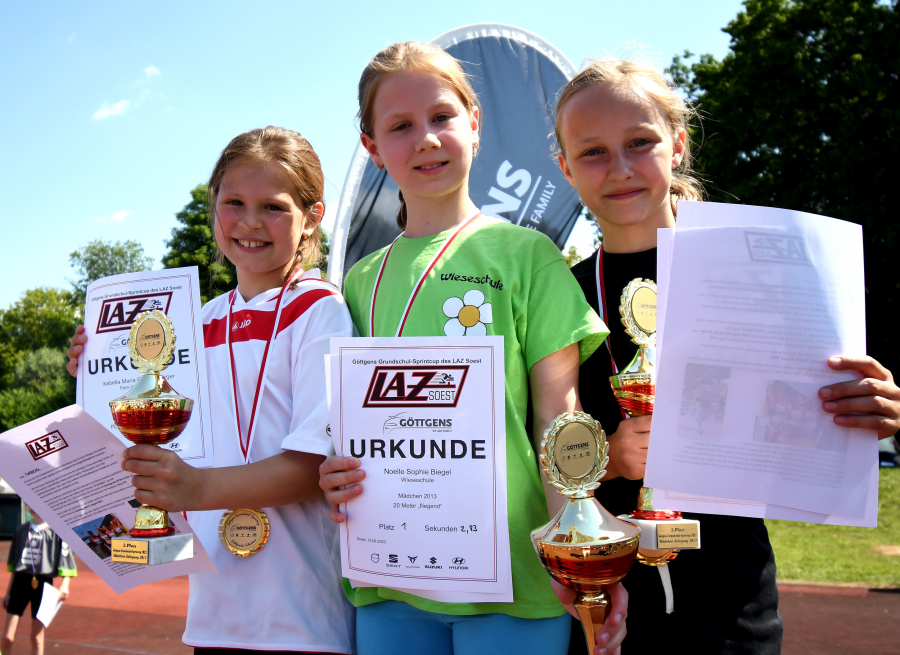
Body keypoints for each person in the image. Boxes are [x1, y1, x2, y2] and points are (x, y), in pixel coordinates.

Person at [555, 58, 900, 654]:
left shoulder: (764, 274)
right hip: (607, 599)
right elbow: (533, 451)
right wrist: (608, 461)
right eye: (592, 152)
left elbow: (817, 403)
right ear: (564, 169)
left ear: (678, 145)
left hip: (733, 606)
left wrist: (875, 406)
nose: (620, 168)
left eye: (640, 142)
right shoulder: (556, 297)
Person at [317, 41, 625, 655]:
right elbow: (342, 422)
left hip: (513, 581)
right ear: (372, 148)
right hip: (390, 583)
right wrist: (333, 469)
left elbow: (557, 417)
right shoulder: (357, 280)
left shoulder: (527, 255)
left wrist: (578, 538)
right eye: (400, 126)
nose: (426, 139)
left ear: (474, 124)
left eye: (441, 117)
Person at [66, 126, 356, 654]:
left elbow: (314, 465)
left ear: (313, 216)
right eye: (234, 202)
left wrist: (197, 489)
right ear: (213, 206)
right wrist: (94, 372)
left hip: (304, 618)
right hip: (213, 616)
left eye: (273, 207)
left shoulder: (321, 311)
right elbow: (141, 435)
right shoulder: (193, 323)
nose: (249, 222)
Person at [3, 507, 76, 655]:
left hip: (44, 586)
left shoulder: (57, 532)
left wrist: (65, 584)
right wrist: (8, 592)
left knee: (36, 639)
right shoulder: (21, 531)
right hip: (20, 583)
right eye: (30, 503)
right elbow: (15, 566)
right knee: (7, 638)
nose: (34, 507)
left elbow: (65, 557)